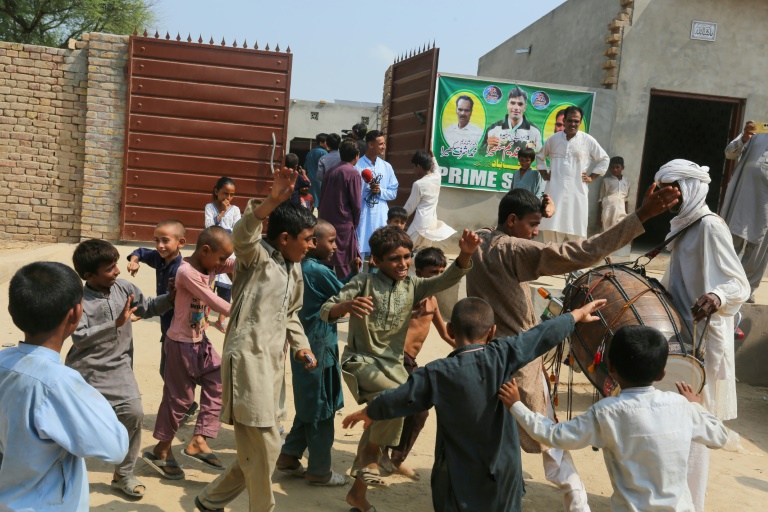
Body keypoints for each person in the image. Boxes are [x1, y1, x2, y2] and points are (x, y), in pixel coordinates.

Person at [466, 185, 681, 511]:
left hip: (483, 359)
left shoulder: (481, 239)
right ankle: (577, 502)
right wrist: (642, 216)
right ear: (511, 221)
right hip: (519, 360)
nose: (536, 232)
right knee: (549, 438)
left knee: (494, 435)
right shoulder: (513, 249)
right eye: (532, 225)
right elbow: (580, 252)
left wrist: (541, 212)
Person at [342, 297, 605, 512]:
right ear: (492, 332)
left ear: (451, 331)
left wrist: (369, 411)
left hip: (456, 478)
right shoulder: (503, 355)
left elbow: (400, 397)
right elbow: (540, 335)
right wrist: (578, 314)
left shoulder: (437, 373)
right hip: (503, 475)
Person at [321, 225, 478, 512]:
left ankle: (358, 492)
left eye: (407, 257)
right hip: (361, 360)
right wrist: (346, 305)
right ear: (376, 261)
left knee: (394, 405)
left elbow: (448, 278)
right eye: (394, 258)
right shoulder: (363, 282)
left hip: (394, 366)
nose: (403, 264)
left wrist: (465, 255)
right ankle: (371, 454)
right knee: (395, 397)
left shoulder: (415, 286)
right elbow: (326, 309)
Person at [501, 325, 736, 512]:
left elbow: (553, 435)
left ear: (610, 368)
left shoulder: (606, 413)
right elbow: (719, 437)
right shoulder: (682, 407)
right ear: (663, 372)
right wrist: (697, 407)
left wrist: (517, 405)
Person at [195, 169, 318, 512]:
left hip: (273, 366)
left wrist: (302, 346)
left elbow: (291, 314)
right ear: (283, 238)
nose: (312, 245)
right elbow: (243, 233)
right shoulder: (256, 258)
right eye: (307, 238)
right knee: (263, 447)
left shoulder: (295, 269)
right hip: (247, 361)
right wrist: (271, 202)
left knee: (266, 447)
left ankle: (210, 500)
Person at [654, 159, 750, 512]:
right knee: (674, 422)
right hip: (679, 333)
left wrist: (716, 297)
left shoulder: (709, 226)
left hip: (704, 338)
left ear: (689, 189)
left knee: (693, 422)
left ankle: (692, 504)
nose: (666, 197)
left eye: (670, 190)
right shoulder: (684, 225)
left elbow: (739, 283)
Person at [0, 262, 129, 511]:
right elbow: (115, 447)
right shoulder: (59, 383)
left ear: (12, 311)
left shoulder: (3, 362)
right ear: (76, 314)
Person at [66, 239, 173, 498]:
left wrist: (172, 297)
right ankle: (63, 474)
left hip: (120, 367)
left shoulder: (123, 287)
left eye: (116, 265)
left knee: (134, 413)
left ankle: (124, 473)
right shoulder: (78, 299)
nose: (117, 271)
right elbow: (79, 337)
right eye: (110, 269)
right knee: (73, 425)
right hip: (85, 372)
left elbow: (146, 307)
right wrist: (115, 323)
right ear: (89, 275)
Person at [146, 226, 236, 480]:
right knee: (180, 400)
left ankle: (199, 439)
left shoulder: (211, 265)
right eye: (219, 258)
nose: (222, 264)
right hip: (180, 344)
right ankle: (162, 448)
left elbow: (234, 263)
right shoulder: (186, 272)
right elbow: (213, 300)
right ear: (205, 250)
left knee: (219, 381)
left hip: (200, 340)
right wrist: (244, 310)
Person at [276, 220, 359, 486]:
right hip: (318, 348)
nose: (336, 246)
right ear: (312, 242)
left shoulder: (301, 266)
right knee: (321, 409)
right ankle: (319, 471)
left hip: (303, 347)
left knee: (310, 402)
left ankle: (289, 456)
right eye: (330, 241)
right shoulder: (315, 270)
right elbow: (346, 297)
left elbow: (338, 291)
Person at [380, 247, 455, 480]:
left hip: (410, 362)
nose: (439, 276)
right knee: (403, 408)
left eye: (442, 271)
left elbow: (445, 334)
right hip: (396, 358)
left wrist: (470, 348)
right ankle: (384, 454)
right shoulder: (408, 293)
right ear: (419, 271)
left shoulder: (433, 300)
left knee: (418, 411)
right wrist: (411, 309)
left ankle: (395, 457)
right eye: (434, 272)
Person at [537, 106, 610, 242]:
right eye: (570, 120)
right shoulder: (553, 139)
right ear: (564, 121)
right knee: (551, 232)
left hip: (577, 194)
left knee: (577, 234)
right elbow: (540, 157)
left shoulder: (587, 140)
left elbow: (604, 159)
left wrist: (591, 177)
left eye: (576, 121)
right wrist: (544, 174)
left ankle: (574, 263)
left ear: (580, 122)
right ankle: (551, 262)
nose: (573, 124)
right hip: (555, 192)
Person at [126, 219, 187, 379]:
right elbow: (139, 251)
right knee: (167, 371)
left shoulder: (181, 270)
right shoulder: (159, 258)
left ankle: (184, 403)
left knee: (174, 372)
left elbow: (171, 300)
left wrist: (145, 312)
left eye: (165, 241)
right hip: (166, 325)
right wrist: (134, 262)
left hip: (177, 327)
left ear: (181, 242)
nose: (160, 245)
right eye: (156, 240)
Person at [721, 120, 768, 303]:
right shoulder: (757, 133)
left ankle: (747, 289)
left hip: (765, 207)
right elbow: (729, 153)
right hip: (743, 199)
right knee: (731, 243)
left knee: (757, 251)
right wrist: (744, 137)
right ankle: (723, 282)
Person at [318, 138, 363, 279]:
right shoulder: (353, 173)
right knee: (345, 264)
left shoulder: (330, 172)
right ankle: (345, 294)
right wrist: (355, 224)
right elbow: (356, 203)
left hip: (326, 222)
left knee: (327, 260)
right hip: (343, 224)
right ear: (357, 156)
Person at [355, 129, 399, 260]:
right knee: (359, 250)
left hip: (381, 215)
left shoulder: (387, 167)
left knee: (380, 251)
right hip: (363, 215)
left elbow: (393, 193)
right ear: (370, 144)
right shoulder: (357, 166)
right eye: (381, 144)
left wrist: (380, 191)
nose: (384, 147)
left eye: (384, 143)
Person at [204, 177, 241, 333]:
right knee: (207, 286)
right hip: (212, 251)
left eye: (232, 195)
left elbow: (237, 229)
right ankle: (204, 317)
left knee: (226, 286)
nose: (228, 198)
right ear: (216, 191)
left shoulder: (236, 210)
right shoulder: (210, 207)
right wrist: (221, 213)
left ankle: (221, 319)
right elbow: (208, 227)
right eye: (225, 193)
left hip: (228, 252)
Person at [403, 150, 456, 250]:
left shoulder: (418, 184)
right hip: (432, 223)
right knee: (424, 250)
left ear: (418, 167)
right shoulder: (437, 177)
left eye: (414, 167)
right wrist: (433, 158)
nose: (413, 170)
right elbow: (436, 168)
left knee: (406, 246)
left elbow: (410, 207)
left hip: (420, 223)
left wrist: (397, 217)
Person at [484, 86, 543, 156]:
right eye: (512, 103)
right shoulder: (493, 129)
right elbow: (479, 156)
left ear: (525, 107)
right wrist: (488, 147)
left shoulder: (535, 131)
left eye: (520, 104)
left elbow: (541, 157)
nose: (516, 108)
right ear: (507, 104)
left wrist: (534, 149)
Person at [598, 156, 631, 231]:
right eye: (612, 167)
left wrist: (627, 215)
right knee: (606, 231)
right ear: (609, 168)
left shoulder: (627, 181)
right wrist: (599, 217)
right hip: (608, 209)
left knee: (619, 231)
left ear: (622, 167)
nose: (615, 169)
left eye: (617, 167)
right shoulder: (606, 180)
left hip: (621, 210)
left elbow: (626, 199)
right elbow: (600, 199)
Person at [304, 133, 328, 206]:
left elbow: (305, 166)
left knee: (309, 201)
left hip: (309, 179)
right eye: (327, 142)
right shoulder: (324, 153)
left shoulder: (310, 152)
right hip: (320, 180)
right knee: (320, 201)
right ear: (321, 142)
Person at [316, 132, 342, 199]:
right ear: (339, 144)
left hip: (327, 188)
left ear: (327, 144)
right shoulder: (343, 157)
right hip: (341, 189)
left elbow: (319, 176)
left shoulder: (323, 158)